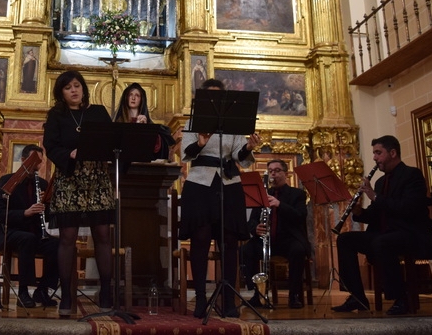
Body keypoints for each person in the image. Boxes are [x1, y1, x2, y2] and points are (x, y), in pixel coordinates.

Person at [180, 78, 259, 318]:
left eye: (218, 96)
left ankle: (228, 299)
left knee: (229, 241)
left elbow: (239, 155)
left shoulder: (232, 125)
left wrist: (249, 147)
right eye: (210, 96)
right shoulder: (192, 122)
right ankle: (201, 298)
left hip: (228, 183)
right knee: (201, 238)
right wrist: (200, 143)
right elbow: (186, 154)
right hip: (200, 183)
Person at [332, 135, 432, 315]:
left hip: (410, 233)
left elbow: (408, 209)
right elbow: (375, 215)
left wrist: (374, 196)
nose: (374, 158)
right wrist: (359, 211)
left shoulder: (412, 175)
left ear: (393, 153)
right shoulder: (381, 182)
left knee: (382, 243)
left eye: (378, 153)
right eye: (374, 153)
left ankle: (401, 299)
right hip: (386, 234)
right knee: (345, 240)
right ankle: (357, 297)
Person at [42, 70, 115, 316]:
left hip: (97, 177)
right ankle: (66, 295)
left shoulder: (98, 113)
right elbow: (50, 146)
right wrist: (69, 154)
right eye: (68, 87)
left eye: (77, 85)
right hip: (69, 178)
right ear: (61, 93)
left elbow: (111, 140)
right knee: (67, 237)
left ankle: (106, 292)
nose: (73, 90)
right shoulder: (56, 115)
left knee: (103, 235)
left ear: (83, 88)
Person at [0, 144, 59, 308]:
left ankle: (42, 290)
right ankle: (23, 292)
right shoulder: (7, 181)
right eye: (34, 161)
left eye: (40, 162)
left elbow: (49, 217)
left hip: (34, 234)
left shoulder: (42, 184)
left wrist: (48, 203)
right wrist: (25, 213)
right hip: (9, 232)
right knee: (27, 239)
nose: (37, 166)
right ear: (23, 160)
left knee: (58, 245)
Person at [239, 159, 310, 309]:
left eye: (277, 171)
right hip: (267, 239)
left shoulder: (297, 194)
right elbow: (251, 221)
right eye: (270, 171)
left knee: (298, 251)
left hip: (288, 239)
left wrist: (280, 204)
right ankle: (257, 293)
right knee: (246, 250)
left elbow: (300, 216)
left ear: (286, 174)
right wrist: (255, 228)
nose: (273, 174)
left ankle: (294, 295)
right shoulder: (262, 194)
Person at [113, 82, 174, 162]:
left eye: (137, 95)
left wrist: (146, 129)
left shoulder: (146, 122)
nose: (133, 98)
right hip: (123, 163)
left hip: (143, 164)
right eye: (130, 95)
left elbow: (156, 148)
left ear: (141, 99)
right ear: (126, 98)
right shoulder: (119, 123)